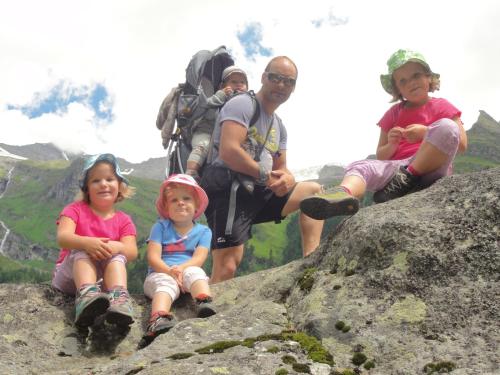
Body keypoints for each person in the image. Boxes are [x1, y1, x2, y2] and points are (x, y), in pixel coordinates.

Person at [300, 49, 468, 220]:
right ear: (398, 89)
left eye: (416, 75)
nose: (411, 83)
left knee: (447, 127)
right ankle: (343, 194)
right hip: (397, 170)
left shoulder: (443, 106)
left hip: (432, 167)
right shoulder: (393, 114)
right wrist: (392, 145)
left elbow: (460, 142)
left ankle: (409, 177)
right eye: (403, 81)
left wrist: (424, 133)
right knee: (361, 166)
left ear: (428, 77)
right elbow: (381, 154)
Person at [202, 56, 324, 283]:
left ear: (293, 88)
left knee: (313, 191)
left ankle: (311, 260)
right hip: (230, 190)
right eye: (276, 78)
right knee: (227, 265)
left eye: (288, 81)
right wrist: (265, 175)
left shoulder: (279, 126)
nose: (281, 85)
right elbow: (229, 151)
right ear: (263, 78)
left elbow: (282, 168)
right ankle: (208, 315)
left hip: (259, 190)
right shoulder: (242, 104)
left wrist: (287, 180)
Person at [52, 153, 138, 328]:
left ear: (120, 186)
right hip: (69, 278)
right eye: (96, 180)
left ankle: (119, 298)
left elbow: (132, 252)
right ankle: (86, 295)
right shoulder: (74, 209)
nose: (103, 184)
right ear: (87, 189)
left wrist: (118, 246)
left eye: (109, 179)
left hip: (102, 283)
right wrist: (87, 243)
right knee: (83, 249)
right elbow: (63, 238)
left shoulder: (124, 220)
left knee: (118, 256)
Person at [143, 174, 216, 339]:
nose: (180, 202)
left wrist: (181, 269)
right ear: (166, 207)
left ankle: (204, 302)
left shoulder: (204, 231)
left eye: (186, 198)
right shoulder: (160, 227)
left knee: (196, 272)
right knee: (165, 284)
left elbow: (199, 257)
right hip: (160, 273)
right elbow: (153, 258)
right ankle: (158, 317)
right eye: (174, 200)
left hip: (186, 271)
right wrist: (170, 272)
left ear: (196, 205)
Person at [185, 66, 249, 180]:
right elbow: (208, 108)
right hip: (207, 132)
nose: (239, 84)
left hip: (228, 137)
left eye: (242, 82)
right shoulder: (218, 97)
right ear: (222, 86)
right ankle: (191, 172)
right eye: (233, 82)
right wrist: (221, 96)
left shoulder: (247, 103)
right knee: (203, 146)